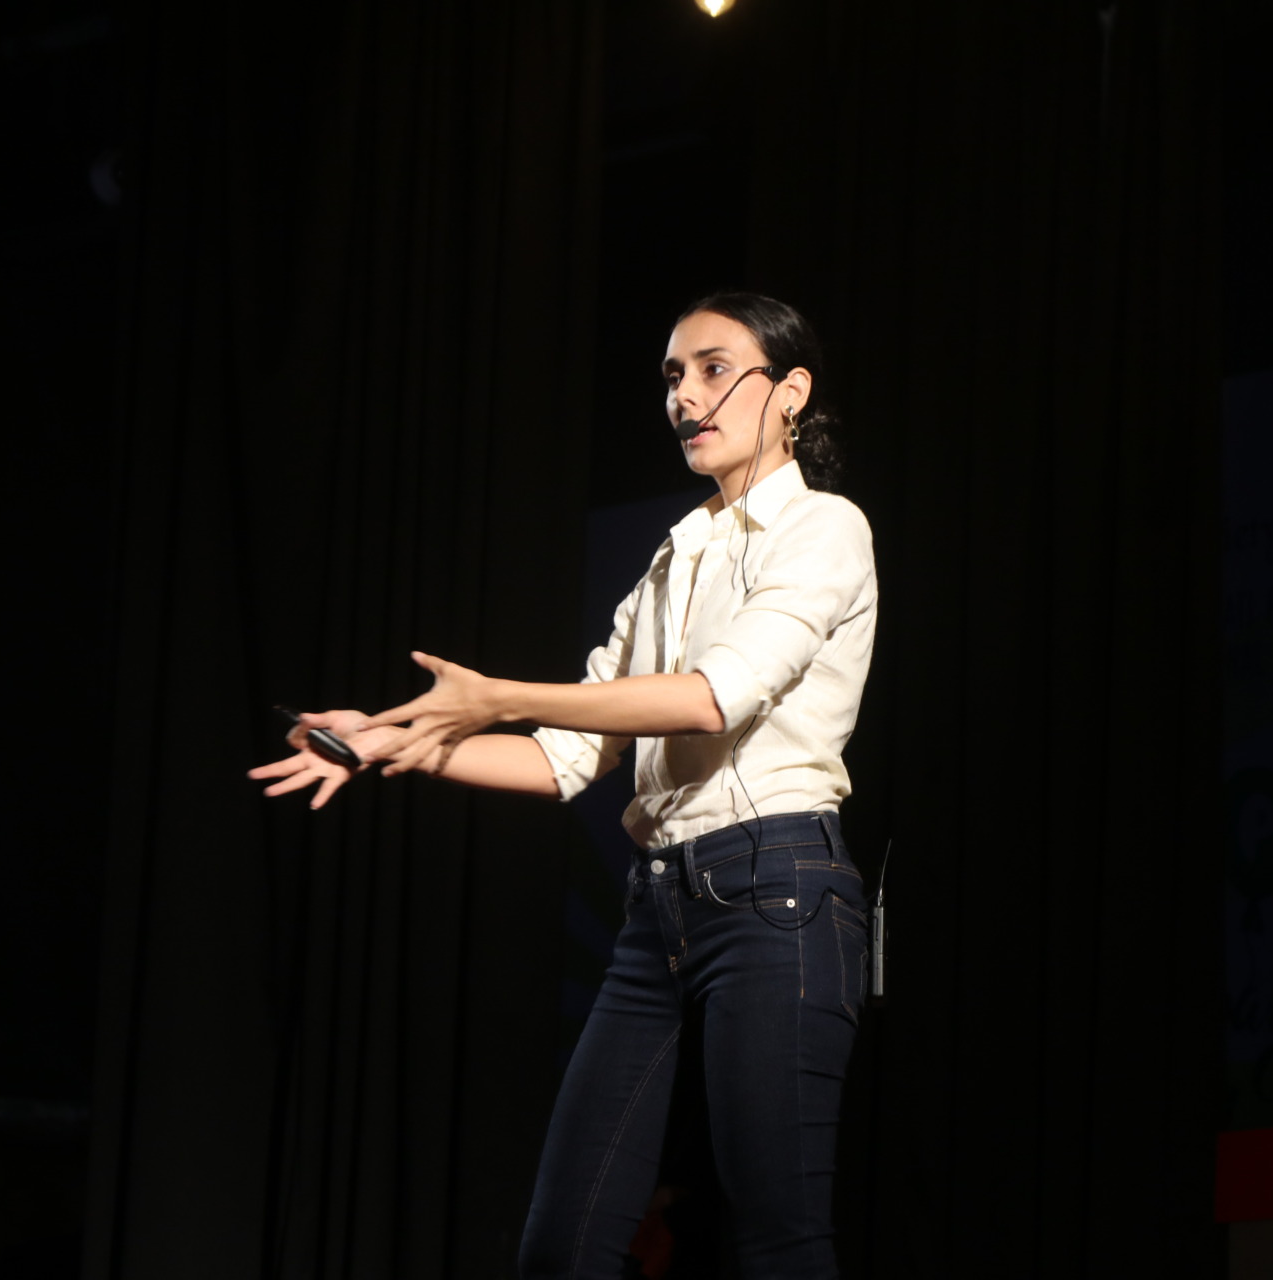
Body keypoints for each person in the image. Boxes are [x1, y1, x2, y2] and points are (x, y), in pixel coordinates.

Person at [249, 292, 877, 1278]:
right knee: (563, 1242)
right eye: (673, 376)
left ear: (791, 390)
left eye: (715, 369)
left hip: (778, 892)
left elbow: (711, 699)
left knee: (777, 1236)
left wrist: (494, 696)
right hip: (658, 911)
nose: (685, 396)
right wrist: (390, 742)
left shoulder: (825, 527)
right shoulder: (676, 556)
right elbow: (561, 759)